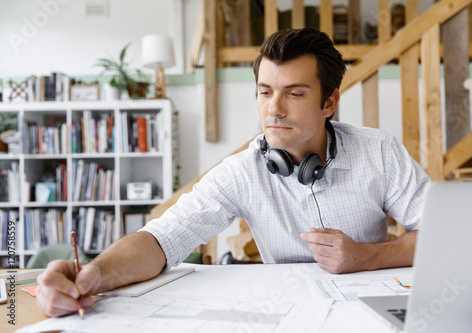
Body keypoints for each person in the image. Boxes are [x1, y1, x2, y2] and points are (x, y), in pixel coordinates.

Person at [36, 28, 430, 317]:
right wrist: (91, 274)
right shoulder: (242, 171)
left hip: (370, 314)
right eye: (264, 91)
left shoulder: (379, 151)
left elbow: (445, 233)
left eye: (294, 93)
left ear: (329, 102)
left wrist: (365, 257)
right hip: (292, 315)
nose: (273, 109)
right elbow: (160, 239)